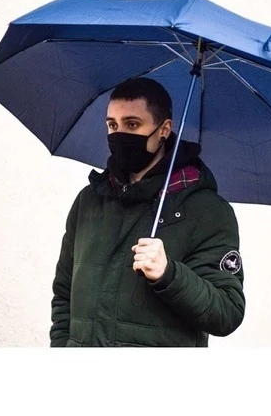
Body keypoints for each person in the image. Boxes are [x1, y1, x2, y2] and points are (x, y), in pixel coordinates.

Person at [49, 77, 245, 347]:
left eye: (132, 124)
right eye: (112, 125)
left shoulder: (207, 211)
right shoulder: (90, 201)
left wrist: (169, 274)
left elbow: (227, 312)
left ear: (164, 129)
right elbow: (63, 295)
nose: (119, 135)